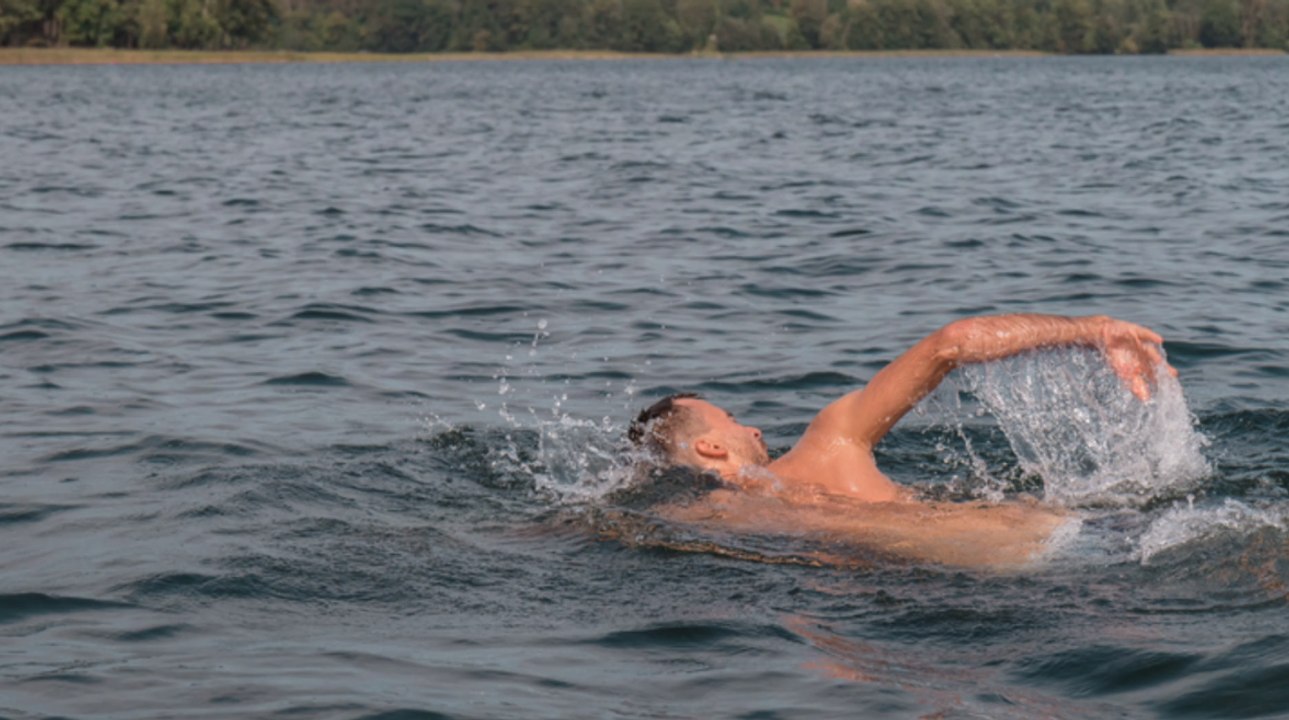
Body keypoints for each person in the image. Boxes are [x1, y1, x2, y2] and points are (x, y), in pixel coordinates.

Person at [625, 313, 1176, 566]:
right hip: (1086, 542)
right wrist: (1090, 332)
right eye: (732, 419)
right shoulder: (828, 445)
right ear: (710, 447)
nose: (754, 428)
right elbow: (952, 343)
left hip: (1015, 574)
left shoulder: (698, 524)